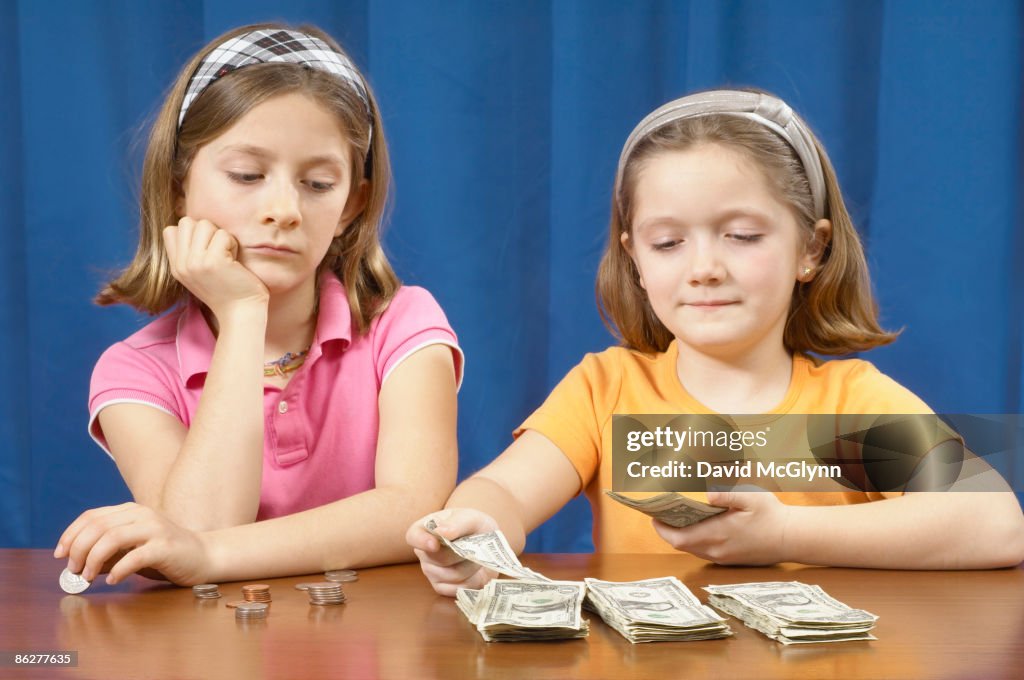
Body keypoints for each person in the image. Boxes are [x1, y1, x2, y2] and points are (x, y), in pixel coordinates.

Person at [407, 90, 1024, 596]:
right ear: (636, 260)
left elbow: (997, 524)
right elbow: (506, 492)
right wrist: (477, 530)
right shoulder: (607, 388)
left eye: (742, 235)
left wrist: (784, 535)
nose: (703, 268)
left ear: (811, 249)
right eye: (668, 243)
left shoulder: (851, 403)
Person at [54, 23, 462, 586]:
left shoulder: (404, 324)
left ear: (351, 204)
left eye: (318, 184)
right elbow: (198, 525)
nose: (283, 208)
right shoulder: (133, 371)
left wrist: (211, 555)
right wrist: (245, 314)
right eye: (247, 175)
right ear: (178, 186)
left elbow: (414, 510)